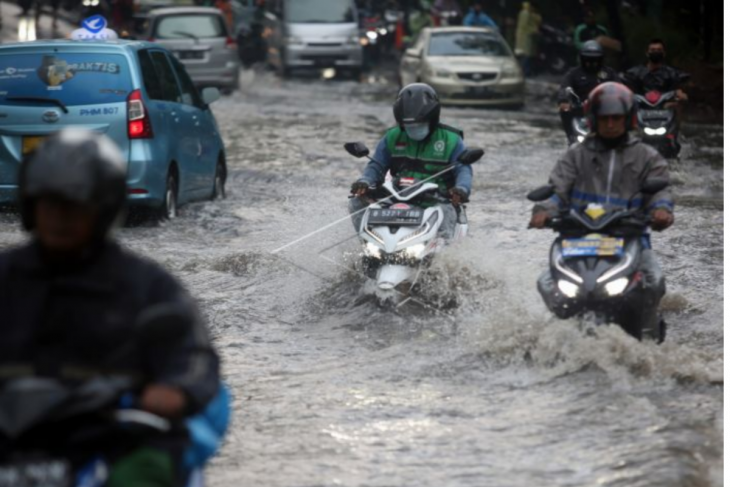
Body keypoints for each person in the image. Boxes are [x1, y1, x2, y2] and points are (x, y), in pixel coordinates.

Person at [0, 129, 221, 486]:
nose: (60, 217)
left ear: (102, 209)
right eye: (49, 203)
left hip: (110, 441)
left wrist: (174, 389)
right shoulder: (5, 277)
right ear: (31, 205)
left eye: (75, 205)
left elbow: (192, 355)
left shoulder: (148, 287)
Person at [530, 82, 674, 302]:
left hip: (630, 239)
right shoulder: (575, 155)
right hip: (577, 240)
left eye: (616, 118)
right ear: (593, 119)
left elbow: (660, 190)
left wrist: (661, 210)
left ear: (628, 119)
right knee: (546, 284)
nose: (610, 124)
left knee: (654, 282)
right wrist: (543, 211)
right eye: (604, 118)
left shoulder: (647, 156)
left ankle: (648, 331)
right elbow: (557, 189)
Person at [349, 83, 472, 239]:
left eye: (419, 125)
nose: (414, 129)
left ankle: (442, 258)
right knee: (356, 203)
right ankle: (368, 242)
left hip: (437, 200)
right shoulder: (392, 137)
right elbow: (376, 165)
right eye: (409, 125)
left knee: (446, 215)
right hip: (398, 196)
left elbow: (463, 169)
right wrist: (364, 181)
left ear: (432, 119)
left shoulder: (451, 140)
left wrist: (461, 189)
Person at [557, 40, 619, 144]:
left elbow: (620, 88)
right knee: (564, 110)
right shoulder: (574, 73)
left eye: (595, 59)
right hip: (580, 109)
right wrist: (564, 100)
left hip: (605, 110)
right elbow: (564, 87)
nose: (591, 62)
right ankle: (571, 136)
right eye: (588, 58)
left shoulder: (609, 73)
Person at [621, 38, 689, 101]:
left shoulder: (672, 73)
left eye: (659, 50)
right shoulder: (634, 73)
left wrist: (680, 95)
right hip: (642, 109)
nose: (656, 52)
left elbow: (679, 90)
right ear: (647, 53)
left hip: (666, 109)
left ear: (664, 53)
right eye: (653, 50)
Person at [514, 1, 541, 77]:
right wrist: (534, 30)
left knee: (526, 55)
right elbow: (525, 26)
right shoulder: (525, 13)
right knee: (526, 56)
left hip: (526, 37)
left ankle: (525, 72)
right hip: (525, 38)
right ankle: (524, 72)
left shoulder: (527, 13)